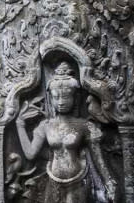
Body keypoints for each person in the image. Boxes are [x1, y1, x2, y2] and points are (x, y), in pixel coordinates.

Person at [16, 61, 117, 203]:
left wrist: (109, 182)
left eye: (66, 97)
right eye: (56, 97)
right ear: (51, 99)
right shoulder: (46, 125)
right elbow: (30, 154)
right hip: (53, 181)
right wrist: (20, 125)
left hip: (78, 181)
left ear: (75, 98)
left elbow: (98, 158)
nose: (61, 102)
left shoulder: (84, 126)